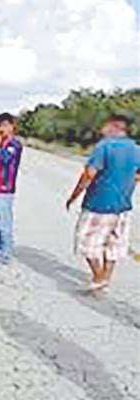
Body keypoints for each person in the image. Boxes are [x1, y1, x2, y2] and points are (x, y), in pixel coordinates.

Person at [66, 114, 140, 291]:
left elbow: (89, 174)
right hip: (122, 206)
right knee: (113, 244)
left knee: (86, 242)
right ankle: (105, 278)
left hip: (98, 204)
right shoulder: (136, 149)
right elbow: (138, 175)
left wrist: (73, 196)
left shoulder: (104, 146)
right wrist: (126, 187)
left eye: (105, 126)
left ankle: (98, 277)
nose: (102, 130)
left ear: (114, 126)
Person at [0, 112, 23, 265]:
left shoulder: (14, 144)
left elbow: (6, 160)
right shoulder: (1, 143)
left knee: (4, 224)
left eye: (6, 125)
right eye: (0, 125)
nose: (2, 129)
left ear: (13, 127)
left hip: (5, 189)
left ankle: (5, 255)